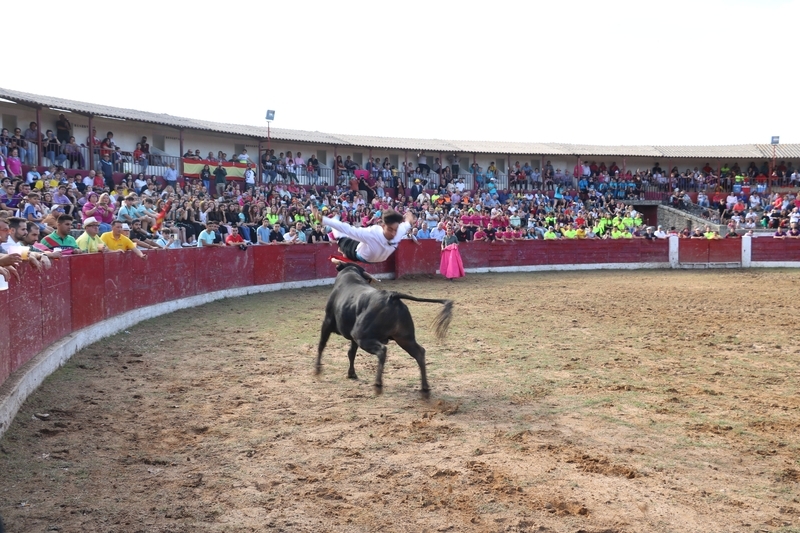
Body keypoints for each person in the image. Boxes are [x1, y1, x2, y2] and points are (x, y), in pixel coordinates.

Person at [323, 208, 414, 263]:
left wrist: (410, 218)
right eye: (390, 230)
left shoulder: (399, 230)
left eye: (395, 230)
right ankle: (334, 221)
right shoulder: (372, 233)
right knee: (341, 239)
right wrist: (323, 219)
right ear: (383, 226)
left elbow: (408, 223)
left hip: (372, 254)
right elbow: (348, 229)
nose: (394, 234)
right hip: (359, 255)